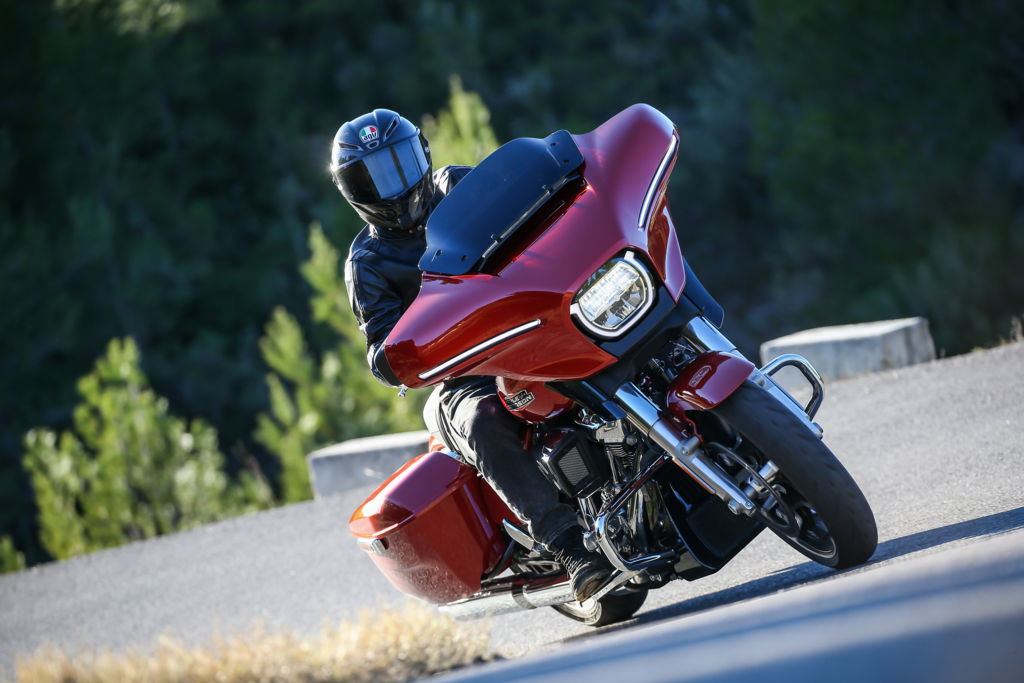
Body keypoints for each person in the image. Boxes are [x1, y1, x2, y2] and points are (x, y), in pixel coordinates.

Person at [330, 108, 612, 601]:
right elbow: (380, 348)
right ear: (353, 191)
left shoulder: (459, 186)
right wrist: (405, 353)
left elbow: (543, 206)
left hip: (531, 329)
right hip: (463, 374)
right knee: (482, 420)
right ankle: (568, 546)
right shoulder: (369, 262)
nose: (394, 185)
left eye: (400, 163)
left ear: (422, 154)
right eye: (373, 177)